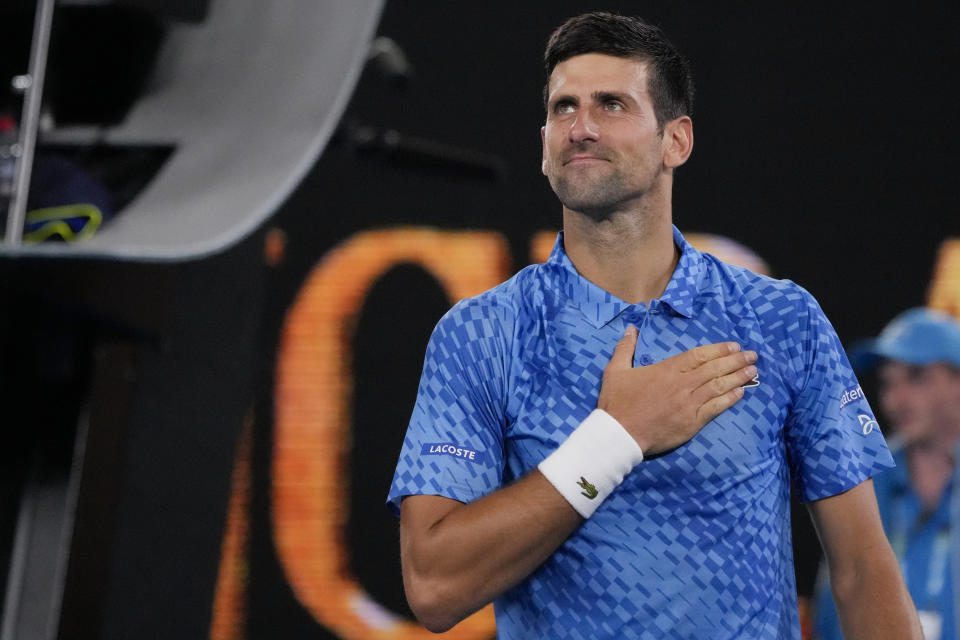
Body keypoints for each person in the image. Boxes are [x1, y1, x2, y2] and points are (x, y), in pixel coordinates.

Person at [387, 12, 922, 639]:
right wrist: (616, 438)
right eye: (563, 108)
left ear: (677, 141)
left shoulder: (781, 319)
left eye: (611, 104)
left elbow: (861, 570)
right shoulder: (481, 333)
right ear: (543, 143)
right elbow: (434, 585)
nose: (580, 128)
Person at [814, 307, 960, 640]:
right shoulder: (859, 478)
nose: (897, 398)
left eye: (917, 376)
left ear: (958, 381)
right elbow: (832, 605)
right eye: (887, 382)